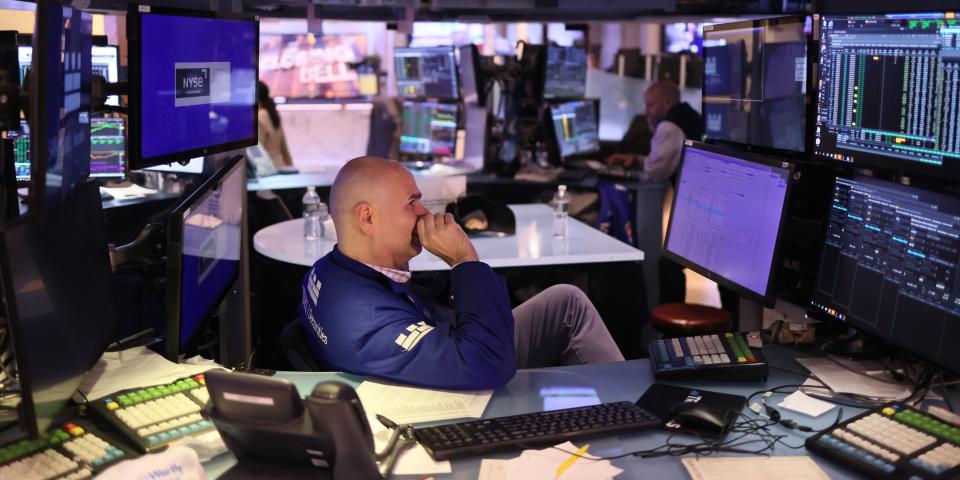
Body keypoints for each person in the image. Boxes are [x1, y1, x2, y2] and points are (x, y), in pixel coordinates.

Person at [298, 156, 624, 390]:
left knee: (566, 302)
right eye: (412, 204)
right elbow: (486, 365)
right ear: (367, 218)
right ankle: (628, 420)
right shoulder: (366, 322)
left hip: (449, 348)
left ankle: (622, 406)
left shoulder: (330, 269)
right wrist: (463, 260)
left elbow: (419, 297)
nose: (425, 213)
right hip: (464, 388)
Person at [604, 79, 703, 181]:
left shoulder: (669, 127)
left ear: (667, 103)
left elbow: (655, 174)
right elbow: (658, 164)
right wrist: (636, 160)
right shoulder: (687, 115)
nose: (646, 112)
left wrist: (618, 174)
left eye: (650, 105)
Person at [257, 80, 294, 169]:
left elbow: (258, 150)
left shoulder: (261, 115)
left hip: (268, 170)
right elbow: (285, 150)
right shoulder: (273, 113)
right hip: (280, 167)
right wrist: (291, 168)